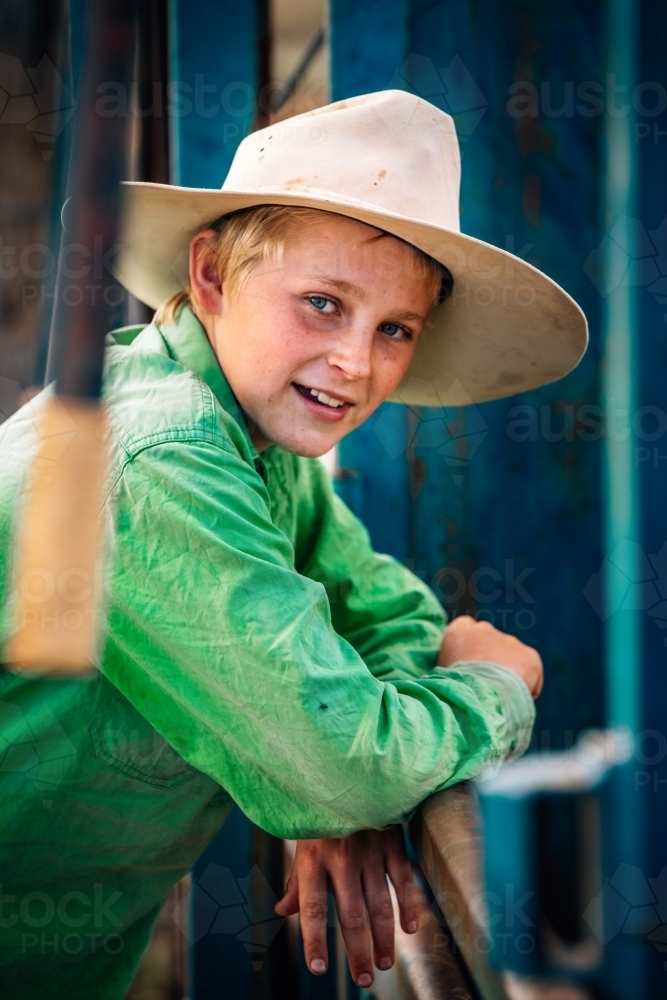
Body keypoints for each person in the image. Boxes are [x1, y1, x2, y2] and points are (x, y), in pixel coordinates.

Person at [0, 90, 587, 997]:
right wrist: (491, 686)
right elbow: (349, 762)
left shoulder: (254, 448)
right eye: (322, 304)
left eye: (395, 330)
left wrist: (330, 782)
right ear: (210, 279)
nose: (357, 363)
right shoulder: (159, 460)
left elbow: (380, 612)